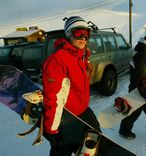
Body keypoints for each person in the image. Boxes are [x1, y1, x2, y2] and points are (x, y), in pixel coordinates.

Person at [42, 16, 102, 156]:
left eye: (86, 33)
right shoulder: (58, 59)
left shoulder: (80, 55)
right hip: (66, 118)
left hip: (83, 111)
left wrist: (86, 63)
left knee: (95, 140)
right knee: (62, 150)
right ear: (69, 34)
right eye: (78, 33)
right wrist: (52, 129)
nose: (83, 38)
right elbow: (53, 96)